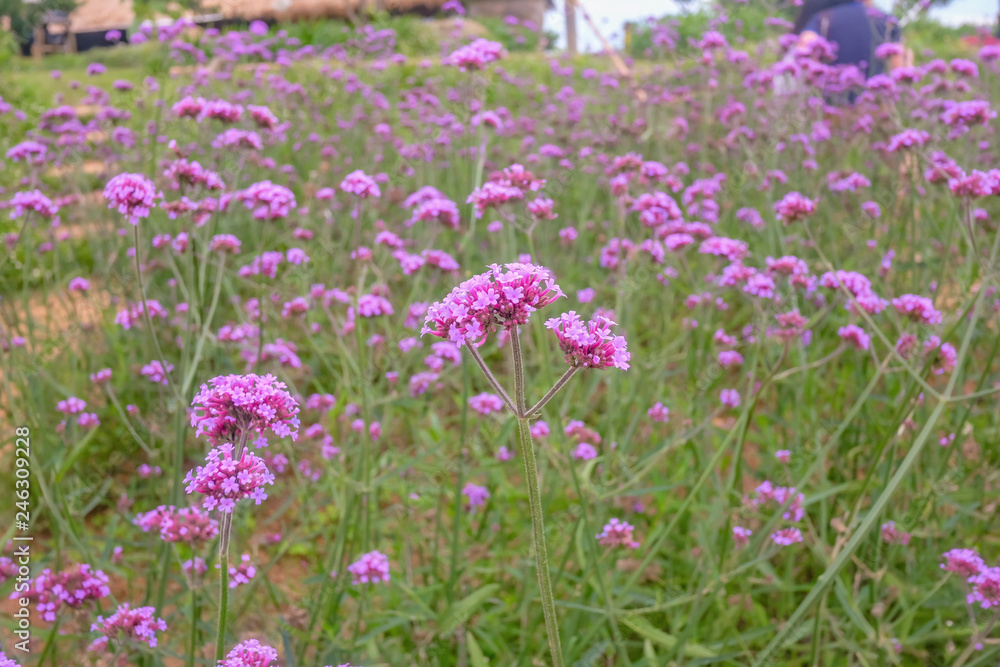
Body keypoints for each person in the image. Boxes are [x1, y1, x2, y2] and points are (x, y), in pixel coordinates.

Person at [793, 0, 909, 77]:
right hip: (875, 107)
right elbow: (898, 71)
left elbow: (805, 44)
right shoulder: (888, 22)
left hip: (828, 108)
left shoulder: (824, 17)